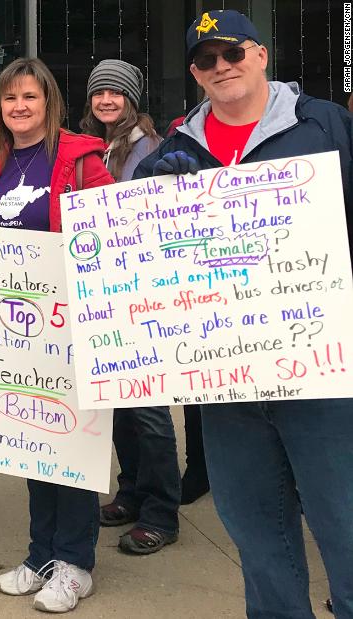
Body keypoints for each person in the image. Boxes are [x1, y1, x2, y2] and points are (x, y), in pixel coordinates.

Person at [133, 9, 353, 618]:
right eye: (206, 60)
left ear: (259, 54)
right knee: (258, 536)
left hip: (321, 371)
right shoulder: (176, 148)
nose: (221, 67)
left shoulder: (323, 124)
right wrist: (150, 200)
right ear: (196, 75)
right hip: (226, 384)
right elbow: (145, 267)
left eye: (232, 53)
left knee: (345, 525)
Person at [0, 58, 113, 613]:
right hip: (10, 326)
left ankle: (76, 562)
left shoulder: (79, 159)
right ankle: (42, 553)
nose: (19, 107)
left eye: (29, 96)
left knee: (71, 441)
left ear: (49, 101)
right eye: (9, 99)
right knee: (30, 442)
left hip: (68, 326)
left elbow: (104, 232)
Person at [79, 59, 181, 555]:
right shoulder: (93, 145)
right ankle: (132, 492)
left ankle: (162, 510)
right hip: (102, 293)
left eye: (115, 94)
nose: (106, 101)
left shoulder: (147, 147)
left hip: (140, 294)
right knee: (118, 406)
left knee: (149, 409)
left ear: (131, 99)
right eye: (100, 93)